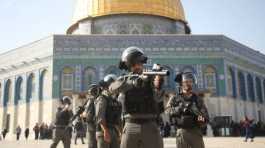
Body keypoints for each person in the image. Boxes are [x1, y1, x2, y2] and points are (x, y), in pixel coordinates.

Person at [109, 47, 165, 148]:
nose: (140, 65)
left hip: (150, 124)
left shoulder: (150, 79)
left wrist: (158, 85)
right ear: (130, 64)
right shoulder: (125, 79)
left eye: (141, 63)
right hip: (131, 124)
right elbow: (112, 88)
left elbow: (158, 99)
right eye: (137, 63)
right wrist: (133, 82)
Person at [166, 72, 209, 148]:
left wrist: (198, 115)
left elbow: (205, 118)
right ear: (181, 83)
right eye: (186, 82)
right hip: (182, 132)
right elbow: (167, 111)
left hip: (195, 131)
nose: (188, 84)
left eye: (190, 82)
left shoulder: (198, 99)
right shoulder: (175, 98)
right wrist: (179, 108)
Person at [95, 74, 122, 148]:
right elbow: (100, 116)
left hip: (113, 130)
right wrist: (105, 131)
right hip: (103, 130)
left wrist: (120, 132)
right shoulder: (102, 98)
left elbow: (117, 119)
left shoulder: (114, 100)